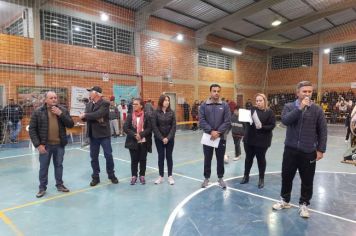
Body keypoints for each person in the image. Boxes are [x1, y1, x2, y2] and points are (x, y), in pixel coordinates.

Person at [272, 81, 327, 218]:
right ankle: (285, 200)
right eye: (304, 91)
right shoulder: (289, 106)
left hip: (308, 151)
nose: (307, 94)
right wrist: (300, 108)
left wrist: (320, 149)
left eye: (309, 91)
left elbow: (323, 131)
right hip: (290, 149)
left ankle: (304, 204)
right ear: (298, 93)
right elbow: (285, 121)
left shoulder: (317, 110)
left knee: (307, 180)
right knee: (286, 176)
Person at [29, 91, 74, 198]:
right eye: (51, 98)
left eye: (55, 97)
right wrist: (38, 145)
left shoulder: (62, 110)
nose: (54, 99)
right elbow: (32, 129)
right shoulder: (38, 112)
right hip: (45, 146)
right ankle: (42, 188)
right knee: (44, 167)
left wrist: (60, 114)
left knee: (59, 165)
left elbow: (70, 124)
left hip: (59, 145)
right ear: (45, 100)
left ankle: (60, 185)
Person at [79, 86, 119, 186]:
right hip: (93, 135)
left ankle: (111, 175)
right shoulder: (88, 105)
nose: (89, 94)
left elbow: (99, 114)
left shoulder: (105, 103)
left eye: (90, 92)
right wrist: (83, 117)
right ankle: (95, 177)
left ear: (96, 93)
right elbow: (90, 117)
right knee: (93, 157)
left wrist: (86, 115)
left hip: (104, 135)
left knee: (108, 155)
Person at [240, 93, 276, 189]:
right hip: (249, 139)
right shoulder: (251, 110)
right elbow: (245, 122)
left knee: (261, 160)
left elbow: (272, 125)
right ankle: (246, 176)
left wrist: (262, 127)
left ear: (265, 101)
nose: (258, 102)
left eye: (260, 100)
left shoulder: (270, 112)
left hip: (262, 140)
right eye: (257, 101)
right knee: (248, 159)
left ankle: (261, 179)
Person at [199, 84, 231, 189]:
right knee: (207, 158)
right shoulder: (204, 105)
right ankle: (206, 178)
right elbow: (202, 121)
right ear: (210, 92)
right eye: (214, 91)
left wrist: (218, 133)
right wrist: (211, 131)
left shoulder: (225, 105)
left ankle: (220, 178)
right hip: (208, 137)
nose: (216, 93)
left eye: (218, 91)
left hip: (221, 137)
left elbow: (227, 121)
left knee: (220, 159)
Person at [124, 98, 152, 185]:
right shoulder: (130, 116)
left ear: (141, 106)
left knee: (143, 159)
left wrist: (141, 134)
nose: (134, 106)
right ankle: (134, 176)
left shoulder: (146, 116)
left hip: (143, 142)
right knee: (134, 160)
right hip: (133, 142)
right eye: (133, 104)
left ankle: (142, 175)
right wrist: (134, 135)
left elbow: (149, 128)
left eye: (136, 104)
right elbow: (125, 128)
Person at [151, 95, 176, 185]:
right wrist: (162, 138)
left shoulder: (172, 112)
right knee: (161, 156)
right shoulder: (155, 113)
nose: (167, 102)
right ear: (161, 101)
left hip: (170, 139)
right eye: (165, 100)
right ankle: (160, 176)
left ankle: (170, 176)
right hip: (159, 139)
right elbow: (154, 127)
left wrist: (168, 138)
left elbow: (174, 127)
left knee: (169, 156)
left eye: (168, 100)